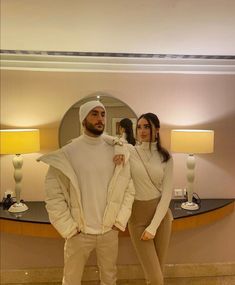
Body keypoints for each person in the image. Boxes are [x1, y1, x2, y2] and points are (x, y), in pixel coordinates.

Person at [38, 100, 135, 285]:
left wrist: (119, 221)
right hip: (78, 232)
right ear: (83, 120)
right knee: (71, 279)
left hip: (109, 230)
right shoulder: (67, 153)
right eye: (94, 114)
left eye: (103, 114)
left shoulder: (117, 150)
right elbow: (53, 196)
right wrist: (68, 228)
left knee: (110, 278)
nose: (100, 118)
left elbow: (129, 188)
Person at [125, 113, 173, 285]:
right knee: (155, 278)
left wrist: (153, 226)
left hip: (161, 218)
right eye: (139, 127)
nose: (142, 131)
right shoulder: (130, 151)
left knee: (157, 272)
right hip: (137, 218)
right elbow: (109, 141)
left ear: (157, 130)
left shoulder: (165, 157)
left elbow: (167, 193)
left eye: (147, 126)